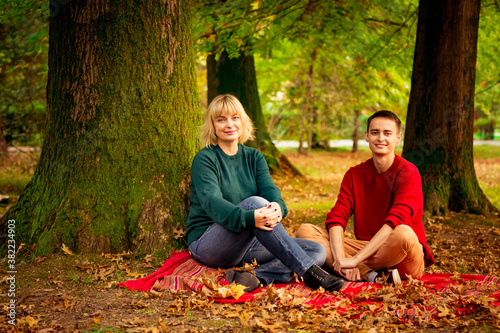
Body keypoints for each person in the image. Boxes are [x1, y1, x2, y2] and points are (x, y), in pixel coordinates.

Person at [186, 94, 345, 292]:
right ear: (213, 125)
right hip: (210, 243)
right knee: (255, 203)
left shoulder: (254, 157)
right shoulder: (205, 159)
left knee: (316, 249)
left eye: (235, 118)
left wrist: (278, 206)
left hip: (246, 245)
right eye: (221, 119)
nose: (229, 124)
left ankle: (257, 278)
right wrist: (250, 216)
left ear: (243, 122)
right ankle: (312, 273)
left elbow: (270, 191)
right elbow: (212, 202)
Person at [296, 110, 435, 284]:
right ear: (366, 136)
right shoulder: (354, 174)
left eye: (387, 133)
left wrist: (354, 260)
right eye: (375, 132)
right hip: (365, 247)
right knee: (305, 232)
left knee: (404, 232)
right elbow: (338, 216)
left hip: (402, 256)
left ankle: (353, 269)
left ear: (398, 138)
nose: (381, 138)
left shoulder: (408, 172)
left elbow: (396, 220)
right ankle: (371, 276)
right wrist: (340, 257)